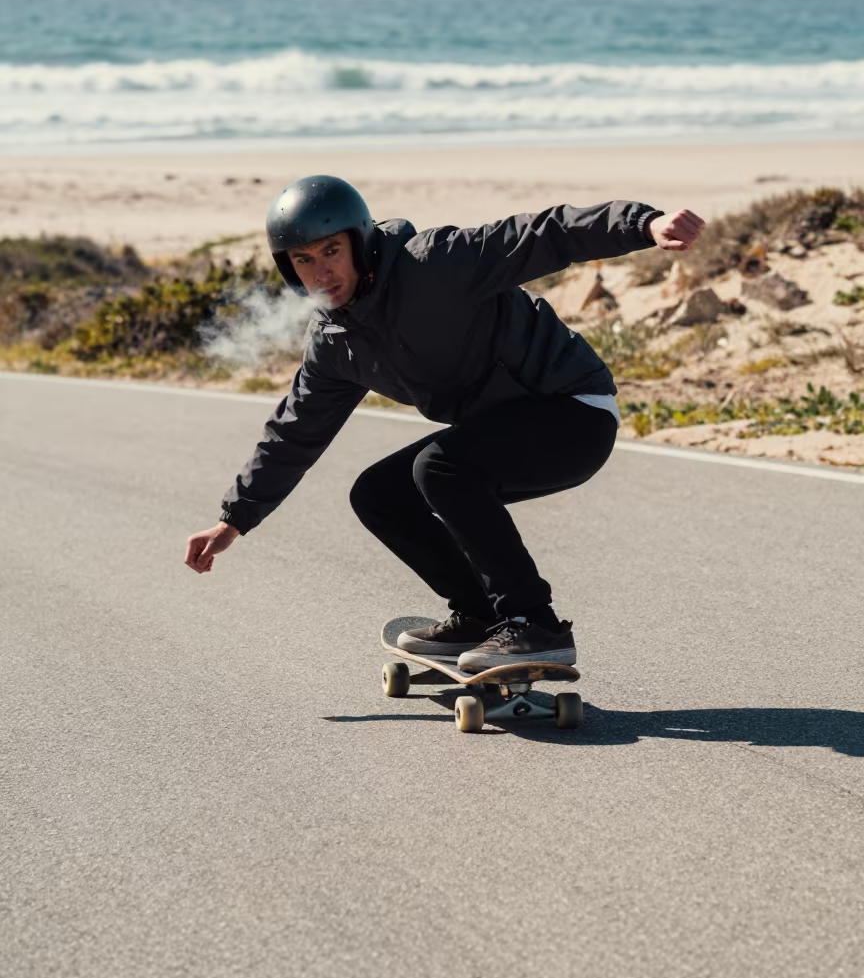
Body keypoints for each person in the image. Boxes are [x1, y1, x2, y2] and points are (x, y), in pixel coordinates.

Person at [185, 175, 704, 672]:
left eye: (331, 251)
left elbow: (547, 233)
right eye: (303, 259)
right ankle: (481, 616)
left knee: (440, 468)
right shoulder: (337, 342)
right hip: (502, 428)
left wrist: (644, 224)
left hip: (574, 411)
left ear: (359, 243)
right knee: (379, 495)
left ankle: (533, 623)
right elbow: (296, 431)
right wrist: (235, 519)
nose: (321, 272)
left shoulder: (435, 263)